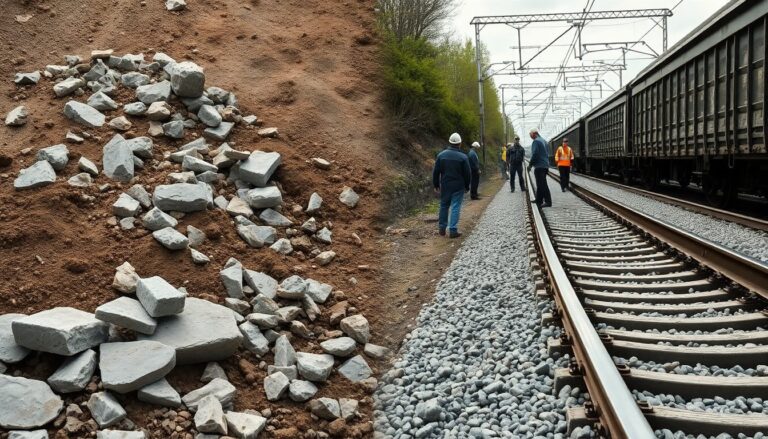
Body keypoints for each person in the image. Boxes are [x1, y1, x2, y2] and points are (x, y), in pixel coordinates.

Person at [433, 133, 471, 238]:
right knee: (455, 206)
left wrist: (436, 184)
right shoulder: (463, 157)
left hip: (445, 185)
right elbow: (467, 174)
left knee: (444, 206)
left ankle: (442, 228)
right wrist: (467, 186)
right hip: (458, 186)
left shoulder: (441, 155)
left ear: (449, 142)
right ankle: (453, 230)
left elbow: (436, 171)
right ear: (460, 143)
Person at [528, 128, 552, 207]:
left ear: (534, 133)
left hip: (539, 166)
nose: (530, 136)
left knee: (542, 184)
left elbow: (535, 154)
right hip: (545, 165)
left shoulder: (536, 141)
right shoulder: (544, 141)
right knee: (540, 183)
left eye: (530, 134)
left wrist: (530, 164)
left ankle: (548, 202)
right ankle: (539, 200)